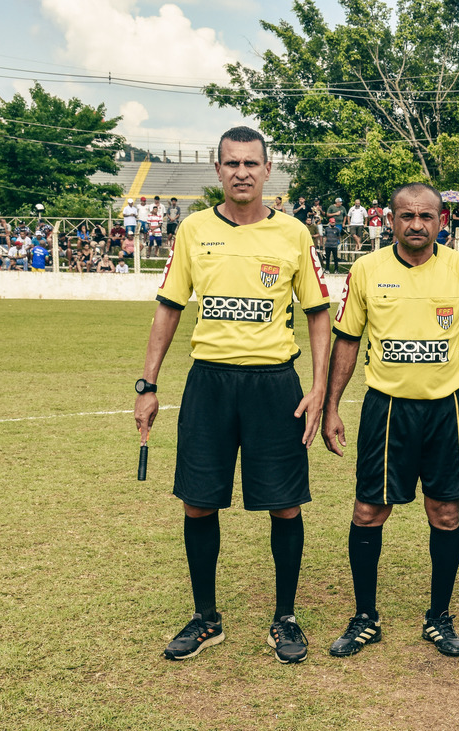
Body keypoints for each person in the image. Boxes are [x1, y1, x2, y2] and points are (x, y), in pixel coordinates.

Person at [134, 125, 332, 665]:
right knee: (198, 501)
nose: (241, 172)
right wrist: (148, 385)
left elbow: (319, 313)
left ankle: (285, 617)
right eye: (231, 163)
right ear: (217, 171)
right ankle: (206, 617)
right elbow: (169, 308)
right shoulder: (193, 231)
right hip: (210, 383)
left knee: (285, 505)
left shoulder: (294, 234)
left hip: (275, 386)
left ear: (268, 170)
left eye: (251, 163)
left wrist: (318, 387)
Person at [323, 181, 459, 659]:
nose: (417, 224)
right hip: (386, 410)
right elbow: (346, 340)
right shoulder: (366, 269)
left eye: (426, 216)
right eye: (407, 216)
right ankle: (365, 617)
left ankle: (439, 617)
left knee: (445, 514)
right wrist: (332, 406)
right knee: (368, 512)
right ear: (390, 220)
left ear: (442, 221)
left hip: (447, 410)